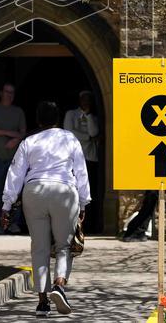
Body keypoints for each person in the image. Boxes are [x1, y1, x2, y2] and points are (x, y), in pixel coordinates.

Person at [1, 100, 90, 318]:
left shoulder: (29, 141)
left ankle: (42, 302)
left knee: (39, 247)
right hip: (64, 190)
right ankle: (59, 285)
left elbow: (15, 173)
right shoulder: (70, 138)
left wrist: (6, 204)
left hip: (35, 190)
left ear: (38, 121)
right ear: (58, 119)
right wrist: (83, 201)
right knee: (63, 245)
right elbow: (81, 170)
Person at [0, 82, 26, 233]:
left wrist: (16, 139)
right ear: (1, 93)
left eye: (12, 93)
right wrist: (9, 133)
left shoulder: (18, 111)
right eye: (7, 92)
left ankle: (14, 223)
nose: (9, 95)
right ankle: (0, 224)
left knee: (14, 193)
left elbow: (23, 133)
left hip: (14, 160)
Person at [63, 90, 99, 230]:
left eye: (89, 99)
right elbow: (69, 132)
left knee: (88, 193)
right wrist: (89, 138)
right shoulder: (71, 114)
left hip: (90, 158)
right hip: (74, 159)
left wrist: (88, 116)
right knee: (74, 192)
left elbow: (94, 132)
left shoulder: (94, 117)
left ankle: (89, 225)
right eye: (84, 99)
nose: (86, 102)